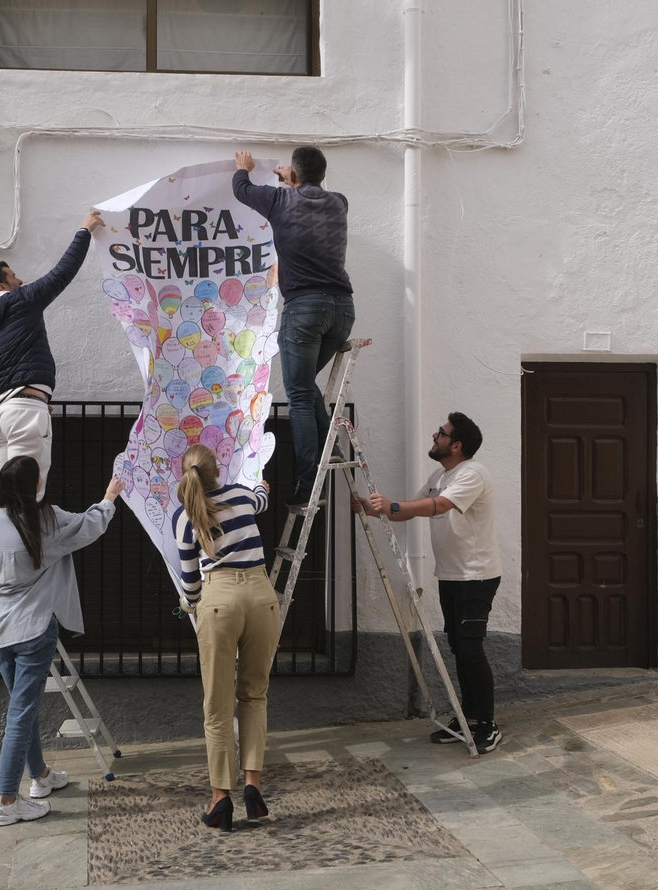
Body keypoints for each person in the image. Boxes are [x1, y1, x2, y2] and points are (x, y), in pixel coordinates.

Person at [0, 455, 124, 825]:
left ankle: (39, 777)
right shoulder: (47, 519)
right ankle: (7, 802)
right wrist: (110, 497)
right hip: (35, 628)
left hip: (1, 629)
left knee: (21, 710)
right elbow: (90, 526)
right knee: (20, 715)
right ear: (34, 485)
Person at [352, 413, 502, 753]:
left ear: (457, 444)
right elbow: (410, 510)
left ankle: (488, 724)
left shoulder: (473, 473)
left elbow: (440, 505)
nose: (435, 436)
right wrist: (372, 509)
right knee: (458, 646)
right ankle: (469, 716)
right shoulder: (440, 474)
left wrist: (393, 504)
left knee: (470, 648)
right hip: (451, 574)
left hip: (475, 576)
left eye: (442, 433)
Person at [231, 147, 354, 509]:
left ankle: (307, 487)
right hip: (343, 310)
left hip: (304, 310)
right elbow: (320, 194)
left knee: (299, 395)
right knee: (305, 386)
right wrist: (298, 181)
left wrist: (244, 168)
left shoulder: (280, 201)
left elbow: (241, 189)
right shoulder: (340, 203)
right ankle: (329, 444)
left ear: (293, 176)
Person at [171, 444, 279, 831]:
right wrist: (263, 483)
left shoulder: (184, 519)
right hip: (262, 596)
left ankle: (220, 799)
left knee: (217, 707)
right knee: (254, 695)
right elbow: (262, 497)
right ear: (217, 472)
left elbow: (191, 585)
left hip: (219, 601)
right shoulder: (239, 495)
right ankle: (253, 786)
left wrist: (191, 607)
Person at [0, 210, 107, 500]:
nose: (20, 280)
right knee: (30, 493)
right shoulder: (20, 300)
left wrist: (33, 398)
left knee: (10, 495)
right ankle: (29, 545)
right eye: (13, 276)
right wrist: (84, 230)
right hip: (22, 413)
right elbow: (62, 273)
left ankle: (8, 541)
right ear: (2, 286)